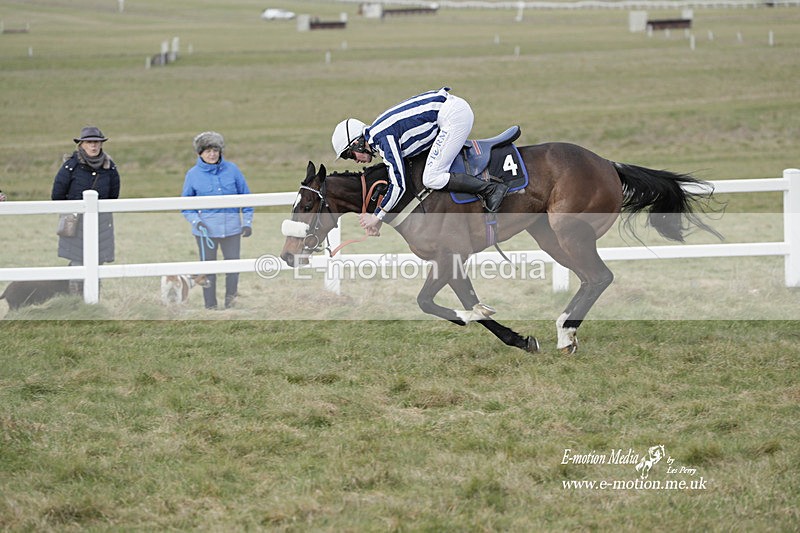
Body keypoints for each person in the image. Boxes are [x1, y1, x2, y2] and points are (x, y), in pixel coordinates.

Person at [331, 86, 508, 236]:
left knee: (431, 177)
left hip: (452, 116)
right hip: (450, 111)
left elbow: (398, 184)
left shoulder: (381, 138)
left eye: (349, 155)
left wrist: (377, 216)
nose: (354, 161)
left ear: (357, 144)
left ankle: (491, 189)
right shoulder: (378, 133)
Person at [181, 131, 253, 309]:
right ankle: (210, 306)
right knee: (208, 270)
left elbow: (247, 198)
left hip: (232, 230)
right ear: (200, 153)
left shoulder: (233, 170)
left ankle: (231, 303)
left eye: (215, 150)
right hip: (206, 232)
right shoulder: (192, 174)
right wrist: (197, 222)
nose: (212, 154)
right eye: (207, 151)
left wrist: (247, 223)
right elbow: (185, 204)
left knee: (233, 269)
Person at [51, 126, 121, 294]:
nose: (94, 146)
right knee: (77, 264)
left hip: (101, 226)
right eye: (90, 142)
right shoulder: (70, 167)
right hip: (75, 225)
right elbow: (57, 195)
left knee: (97, 266)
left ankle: (94, 305)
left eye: (97, 142)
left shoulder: (109, 168)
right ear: (81, 144)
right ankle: (75, 304)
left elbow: (113, 196)